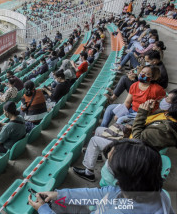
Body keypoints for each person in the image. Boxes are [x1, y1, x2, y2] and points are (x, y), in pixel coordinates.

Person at [30, 140, 174, 214]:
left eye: (110, 165)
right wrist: (58, 194)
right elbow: (103, 194)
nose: (105, 166)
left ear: (121, 179)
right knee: (57, 201)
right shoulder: (151, 192)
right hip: (100, 208)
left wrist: (43, 210)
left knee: (52, 206)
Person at [101, 66, 165, 127]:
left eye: (147, 74)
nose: (142, 75)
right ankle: (103, 128)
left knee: (120, 120)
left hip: (142, 114)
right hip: (132, 109)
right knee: (110, 108)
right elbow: (127, 102)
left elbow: (163, 103)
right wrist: (120, 113)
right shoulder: (134, 85)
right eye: (142, 72)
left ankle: (113, 134)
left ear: (152, 77)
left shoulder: (157, 89)